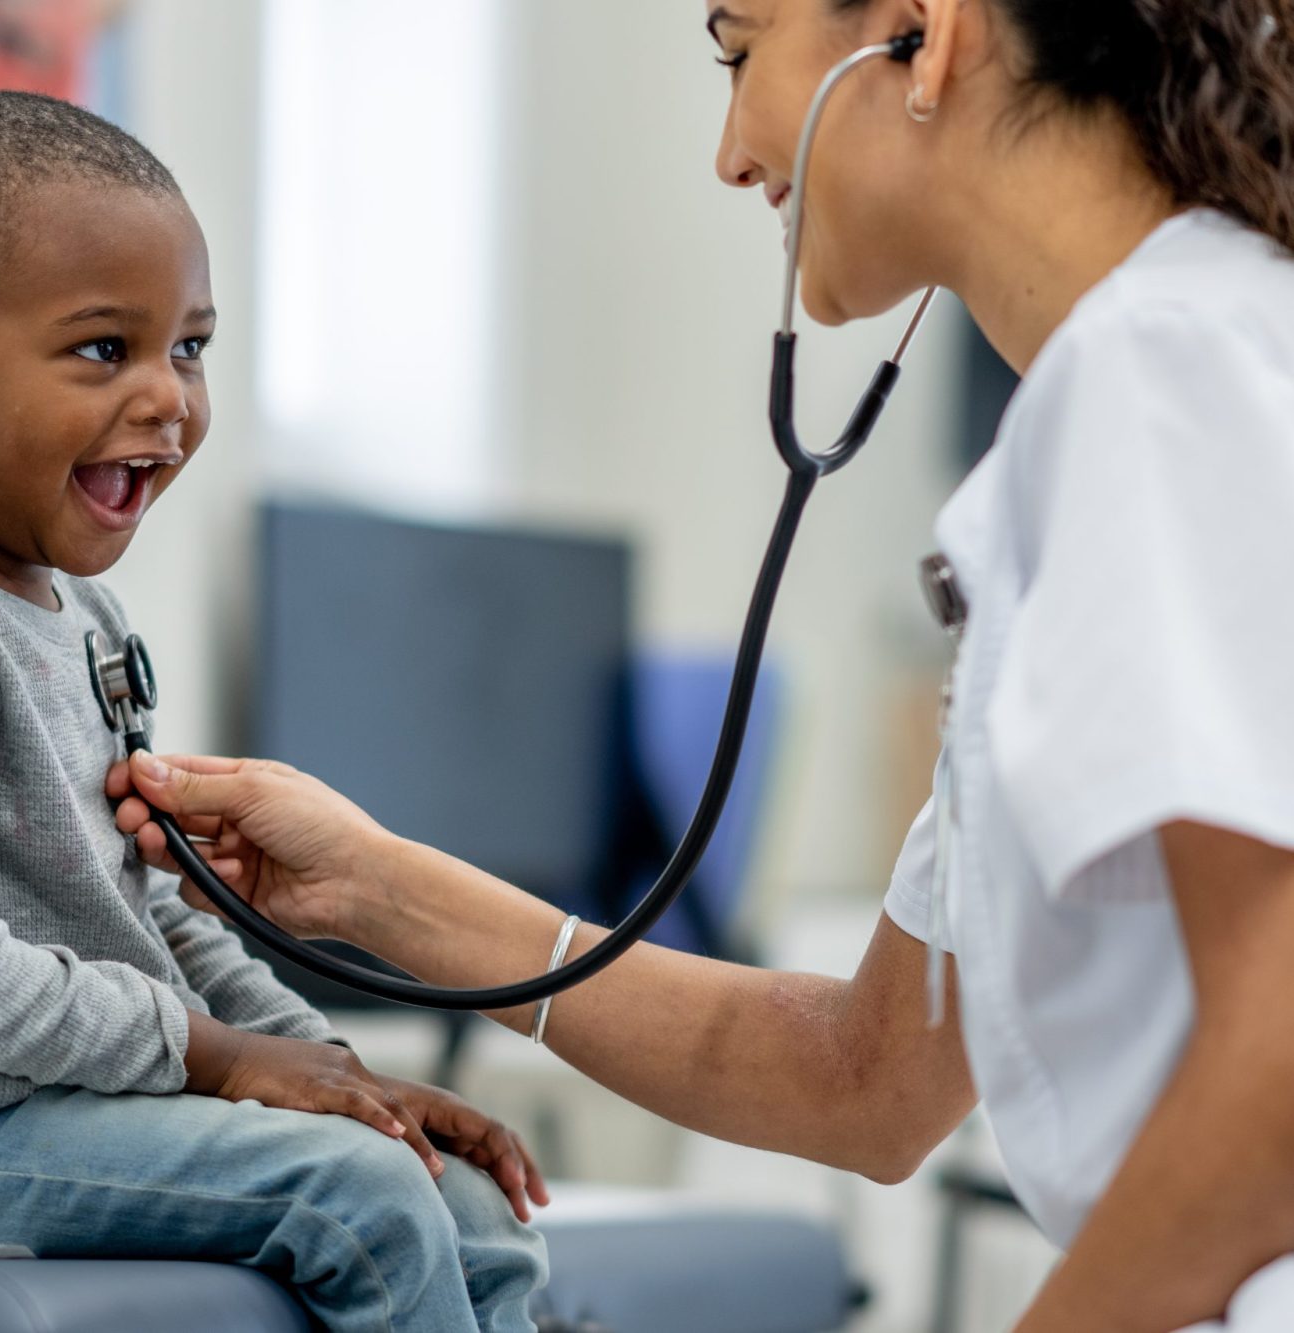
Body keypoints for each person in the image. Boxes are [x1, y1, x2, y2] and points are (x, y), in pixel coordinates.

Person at [110, 2, 1294, 1329]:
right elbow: (867, 1077)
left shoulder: (1165, 362)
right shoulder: (1146, 377)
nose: (729, 155)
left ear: (915, 30)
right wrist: (371, 885)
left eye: (739, 53)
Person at [0, 91, 547, 1333]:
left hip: (63, 1105)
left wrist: (344, 1077)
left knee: (456, 1193)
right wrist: (222, 1063)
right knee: (359, 1195)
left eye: (190, 348)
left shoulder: (83, 622)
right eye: (105, 349)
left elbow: (156, 914)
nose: (169, 398)